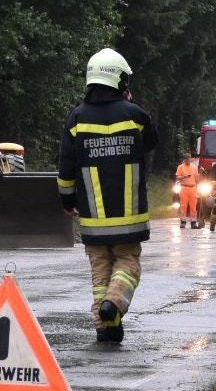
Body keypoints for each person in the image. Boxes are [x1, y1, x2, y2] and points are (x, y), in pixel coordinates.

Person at [57, 48, 158, 343]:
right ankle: (114, 303)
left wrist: (67, 200)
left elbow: (66, 168)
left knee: (100, 271)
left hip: (93, 216)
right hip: (129, 217)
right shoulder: (135, 116)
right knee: (128, 264)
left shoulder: (76, 119)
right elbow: (152, 141)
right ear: (119, 80)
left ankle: (106, 328)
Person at [175, 153, 200, 229]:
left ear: (190, 159)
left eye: (189, 159)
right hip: (184, 187)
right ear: (184, 159)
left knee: (193, 206)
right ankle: (183, 221)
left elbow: (197, 179)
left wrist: (200, 178)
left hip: (193, 188)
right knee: (183, 205)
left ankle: (193, 222)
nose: (188, 160)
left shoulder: (194, 168)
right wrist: (183, 177)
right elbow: (177, 178)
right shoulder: (180, 167)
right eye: (186, 159)